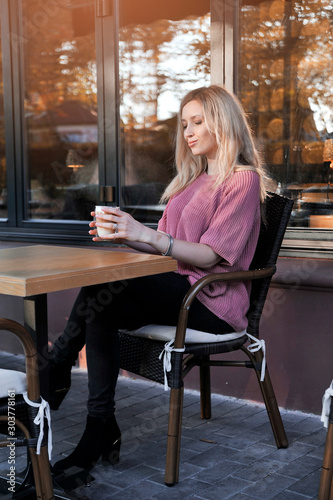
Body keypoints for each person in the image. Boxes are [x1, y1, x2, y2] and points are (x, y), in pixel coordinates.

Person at [50, 84, 268, 473]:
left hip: (209, 303)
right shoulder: (190, 182)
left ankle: (60, 370)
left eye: (198, 121)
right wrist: (125, 235)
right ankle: (97, 423)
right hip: (176, 292)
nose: (188, 131)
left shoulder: (242, 180)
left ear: (223, 123)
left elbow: (210, 255)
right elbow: (165, 248)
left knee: (105, 293)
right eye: (184, 123)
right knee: (104, 295)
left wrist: (146, 234)